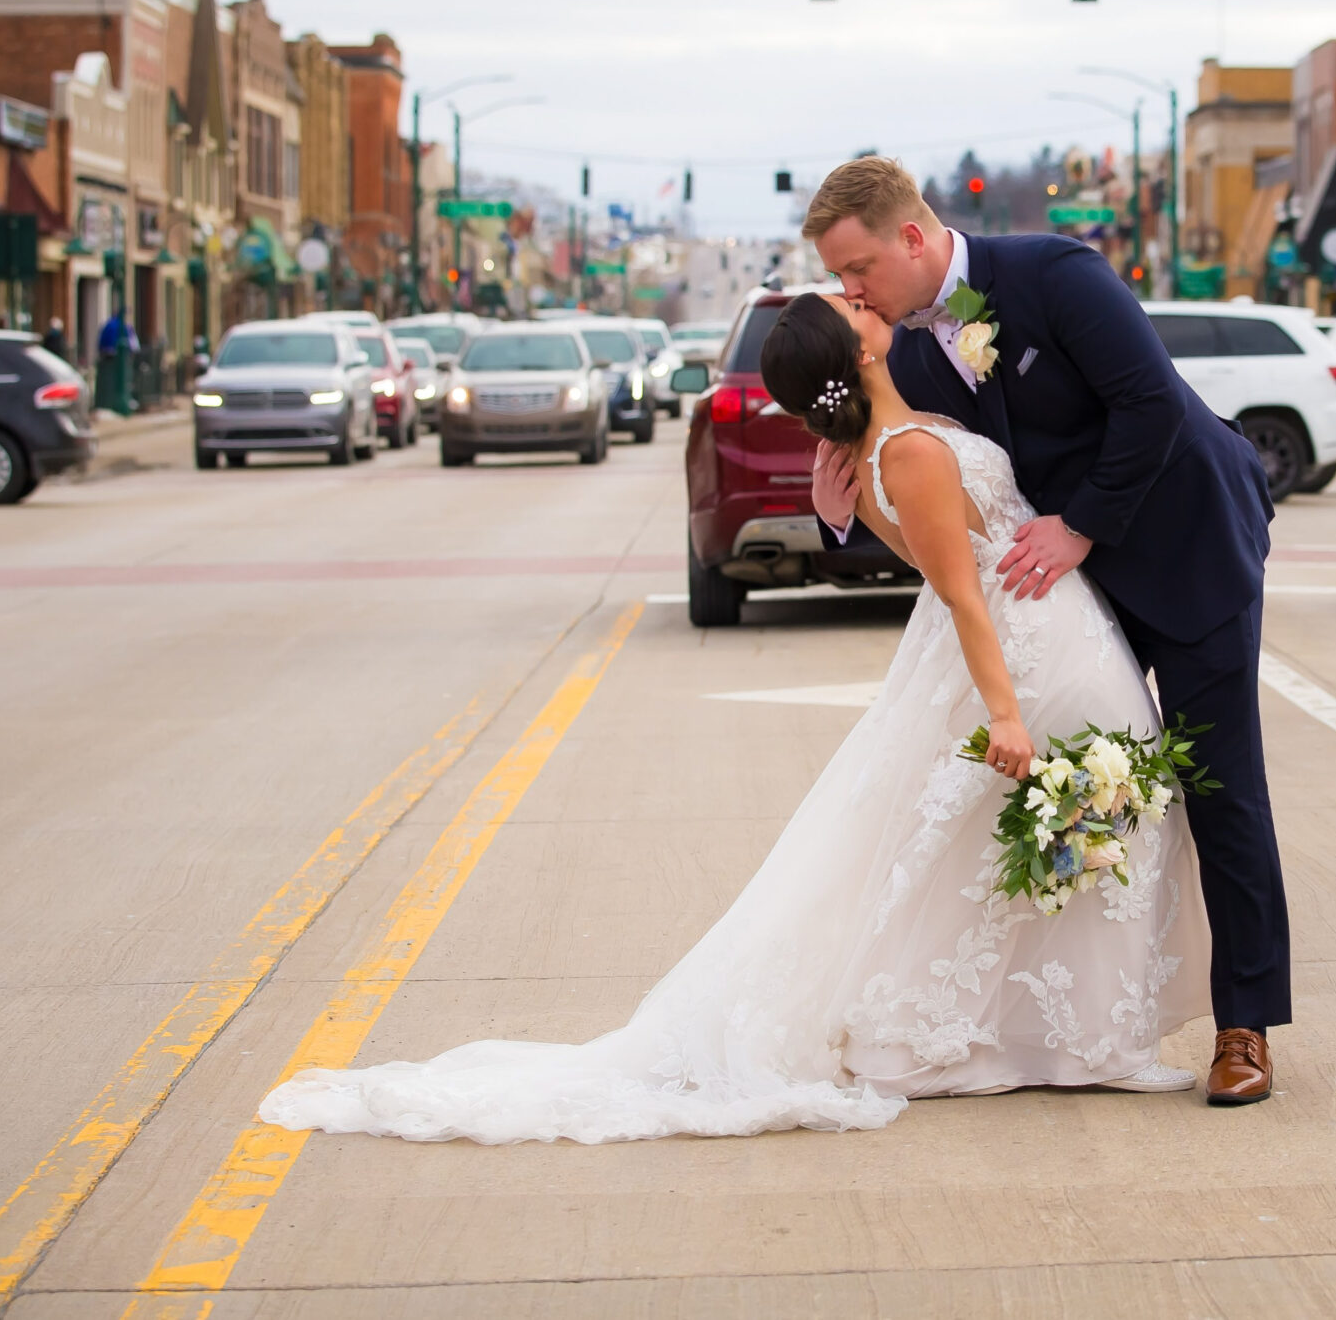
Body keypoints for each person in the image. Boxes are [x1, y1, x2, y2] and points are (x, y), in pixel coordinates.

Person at [258, 291, 1207, 1145]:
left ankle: (1047, 1030)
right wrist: (1004, 712)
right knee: (1043, 837)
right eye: (854, 305)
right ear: (861, 355)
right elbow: (961, 595)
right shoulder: (905, 452)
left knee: (987, 857)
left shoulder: (875, 452)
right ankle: (1030, 1035)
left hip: (1046, 639)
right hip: (1018, 654)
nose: (865, 301)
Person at [804, 156, 1288, 1106]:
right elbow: (915, 473)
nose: (849, 291)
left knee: (1220, 781)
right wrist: (840, 505)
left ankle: (1246, 1025)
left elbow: (1149, 404)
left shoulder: (1056, 272)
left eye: (858, 268)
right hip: (1066, 596)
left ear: (912, 236)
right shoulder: (898, 346)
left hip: (1187, 542)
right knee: (1077, 787)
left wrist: (1080, 525)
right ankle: (1072, 1012)